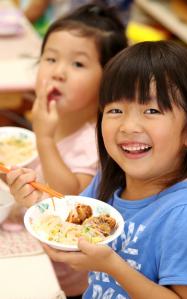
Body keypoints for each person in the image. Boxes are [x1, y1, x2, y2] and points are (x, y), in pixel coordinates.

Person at [8, 40, 187, 298]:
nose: (128, 126)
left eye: (151, 110)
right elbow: (69, 223)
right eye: (116, 110)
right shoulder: (108, 183)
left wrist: (112, 267)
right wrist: (35, 200)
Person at [7, 4, 128, 299]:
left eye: (78, 64)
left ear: (107, 80)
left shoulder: (97, 141)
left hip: (61, 275)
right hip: (24, 237)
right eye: (50, 59)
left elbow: (69, 198)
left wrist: (45, 138)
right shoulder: (50, 120)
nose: (58, 72)